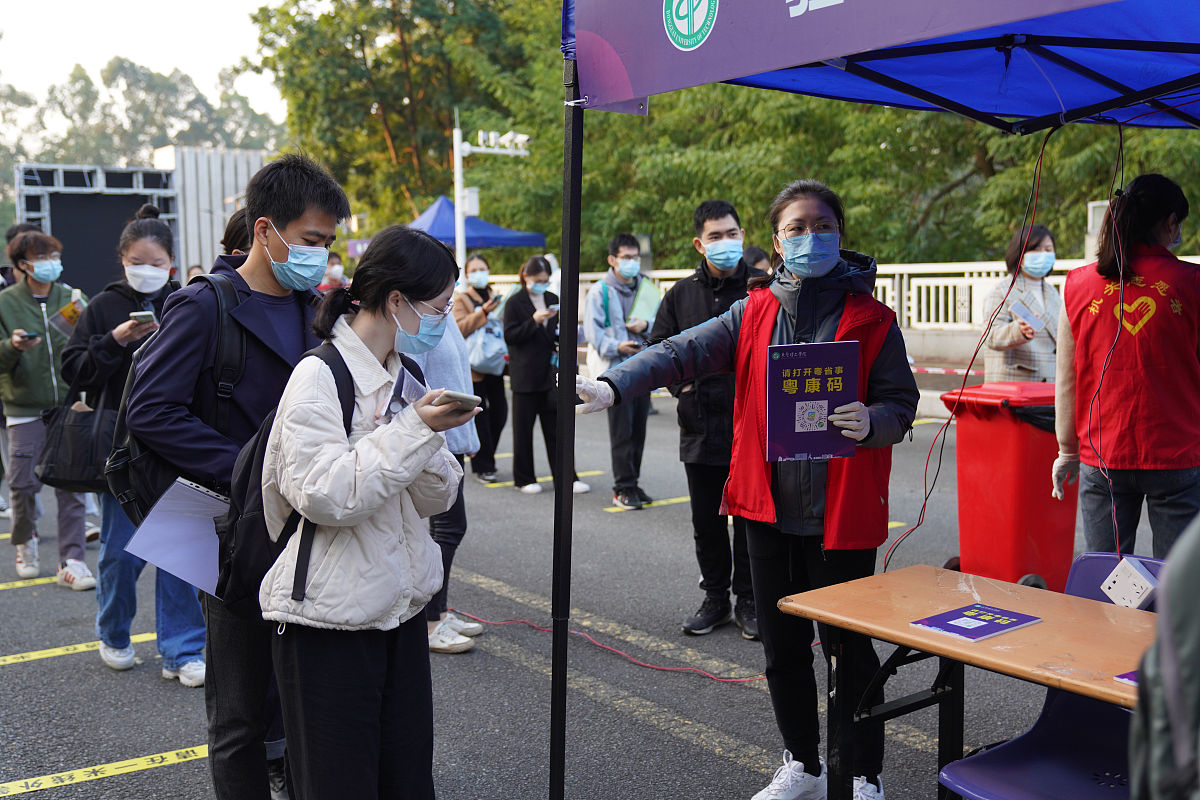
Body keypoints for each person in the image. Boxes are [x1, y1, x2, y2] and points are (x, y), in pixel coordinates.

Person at [577, 179, 918, 800]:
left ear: (840, 233)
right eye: (796, 228)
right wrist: (615, 384)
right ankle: (805, 765)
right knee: (782, 650)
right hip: (767, 511)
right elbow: (681, 350)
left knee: (849, 653)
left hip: (841, 515)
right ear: (777, 241)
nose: (811, 237)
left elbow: (901, 402)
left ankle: (862, 773)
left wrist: (873, 420)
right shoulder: (753, 311)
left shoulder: (873, 319)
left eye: (822, 226)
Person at [125, 154, 350, 799]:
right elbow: (150, 411)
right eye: (310, 240)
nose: (319, 256)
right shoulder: (203, 306)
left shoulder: (316, 310)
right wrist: (251, 469)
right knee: (238, 709)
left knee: (300, 695)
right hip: (218, 518)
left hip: (299, 518)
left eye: (327, 243)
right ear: (264, 230)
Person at [262, 225, 473, 799]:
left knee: (406, 779)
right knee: (339, 784)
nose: (443, 321)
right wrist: (412, 430)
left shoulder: (407, 375)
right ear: (397, 300)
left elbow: (436, 499)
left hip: (398, 608)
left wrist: (424, 432)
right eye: (438, 308)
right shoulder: (318, 375)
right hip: (327, 622)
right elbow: (326, 494)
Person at [61, 204, 206, 680]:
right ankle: (114, 632)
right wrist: (115, 340)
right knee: (120, 555)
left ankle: (183, 650)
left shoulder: (188, 302)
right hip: (121, 449)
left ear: (171, 263)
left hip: (179, 444)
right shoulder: (102, 306)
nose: (147, 271)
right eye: (137, 262)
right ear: (122, 259)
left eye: (156, 263)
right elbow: (74, 369)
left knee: (180, 553)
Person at [1053, 173, 1200, 560]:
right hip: (1177, 455)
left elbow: (1067, 377)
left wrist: (1067, 449)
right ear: (1170, 222)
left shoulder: (1078, 284)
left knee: (1106, 577)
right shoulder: (1192, 283)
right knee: (1175, 575)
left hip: (1102, 454)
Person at [650, 200, 766, 639]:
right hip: (699, 425)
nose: (725, 243)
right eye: (715, 236)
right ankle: (715, 598)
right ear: (700, 244)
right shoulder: (680, 295)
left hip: (753, 428)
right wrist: (681, 387)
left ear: (743, 235)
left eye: (732, 234)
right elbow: (659, 348)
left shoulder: (763, 290)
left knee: (752, 519)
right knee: (707, 522)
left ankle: (749, 600)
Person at [0, 230, 94, 589]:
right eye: (42, 257)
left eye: (53, 255)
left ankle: (72, 560)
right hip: (24, 408)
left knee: (71, 484)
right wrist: (12, 347)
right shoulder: (5, 303)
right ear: (22, 265)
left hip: (69, 404)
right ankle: (26, 541)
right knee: (22, 485)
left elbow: (92, 343)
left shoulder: (73, 298)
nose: (50, 263)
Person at [583, 234, 658, 509]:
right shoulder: (600, 291)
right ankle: (622, 488)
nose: (632, 263)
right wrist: (618, 345)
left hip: (643, 368)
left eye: (635, 257)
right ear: (612, 260)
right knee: (622, 432)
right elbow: (593, 333)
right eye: (626, 257)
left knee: (638, 430)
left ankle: (633, 483)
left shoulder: (646, 287)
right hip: (616, 373)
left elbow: (661, 322)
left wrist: (645, 325)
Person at [504, 255, 589, 496]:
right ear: (526, 277)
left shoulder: (553, 299)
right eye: (538, 279)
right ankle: (523, 478)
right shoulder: (514, 302)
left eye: (545, 280)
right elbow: (510, 336)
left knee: (557, 430)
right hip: (525, 375)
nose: (542, 284)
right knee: (523, 431)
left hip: (550, 374)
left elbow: (558, 332)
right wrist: (533, 321)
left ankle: (567, 477)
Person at [453, 253, 507, 484]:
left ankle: (486, 454)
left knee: (500, 413)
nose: (479, 274)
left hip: (495, 363)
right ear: (467, 275)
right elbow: (459, 328)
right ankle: (483, 465)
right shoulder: (462, 299)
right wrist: (482, 313)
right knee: (480, 416)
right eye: (473, 270)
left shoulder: (497, 297)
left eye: (482, 269)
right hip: (474, 367)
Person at [983, 224, 1061, 383]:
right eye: (1036, 249)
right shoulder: (1002, 291)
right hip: (1016, 385)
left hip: (1050, 385)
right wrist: (1018, 331)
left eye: (1048, 250)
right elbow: (990, 336)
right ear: (1020, 253)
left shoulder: (1053, 293)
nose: (1043, 255)